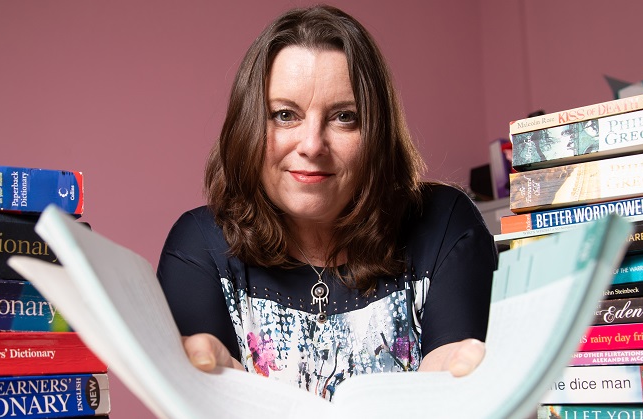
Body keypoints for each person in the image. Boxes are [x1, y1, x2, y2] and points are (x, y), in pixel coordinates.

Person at [156, 4, 497, 400]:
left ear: (376, 132)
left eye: (344, 117)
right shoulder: (197, 247)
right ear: (248, 127)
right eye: (285, 115)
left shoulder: (447, 226)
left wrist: (453, 378)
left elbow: (455, 375)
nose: (313, 145)